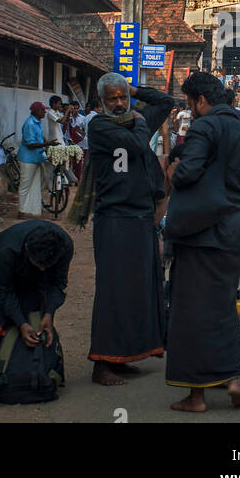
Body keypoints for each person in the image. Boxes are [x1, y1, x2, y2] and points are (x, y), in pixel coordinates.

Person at [164, 71, 240, 413]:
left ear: (201, 102)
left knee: (190, 310)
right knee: (223, 304)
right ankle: (233, 379)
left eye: (191, 104)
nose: (191, 111)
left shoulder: (205, 127)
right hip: (235, 228)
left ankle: (196, 397)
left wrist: (171, 171)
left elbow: (187, 172)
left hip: (201, 230)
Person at [81, 72, 166, 386]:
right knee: (113, 291)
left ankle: (124, 355)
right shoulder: (99, 125)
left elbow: (166, 101)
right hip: (115, 218)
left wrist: (135, 89)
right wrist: (140, 118)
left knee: (139, 289)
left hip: (141, 217)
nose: (119, 103)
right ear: (102, 102)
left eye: (122, 97)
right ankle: (101, 364)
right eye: (112, 99)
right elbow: (136, 142)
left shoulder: (134, 118)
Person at [0, 220, 74, 407]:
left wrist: (49, 313)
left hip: (36, 262)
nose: (42, 269)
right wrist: (21, 323)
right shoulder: (7, 250)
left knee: (38, 315)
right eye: (38, 265)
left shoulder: (64, 247)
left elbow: (58, 283)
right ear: (28, 248)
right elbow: (4, 291)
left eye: (46, 266)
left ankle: (48, 370)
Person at [17, 101, 48, 216]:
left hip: (36, 157)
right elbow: (30, 144)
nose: (45, 112)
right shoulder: (30, 123)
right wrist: (46, 144)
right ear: (36, 111)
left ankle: (31, 208)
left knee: (35, 185)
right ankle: (21, 211)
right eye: (43, 110)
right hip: (28, 159)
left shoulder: (37, 122)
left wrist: (46, 142)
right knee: (25, 186)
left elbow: (40, 137)